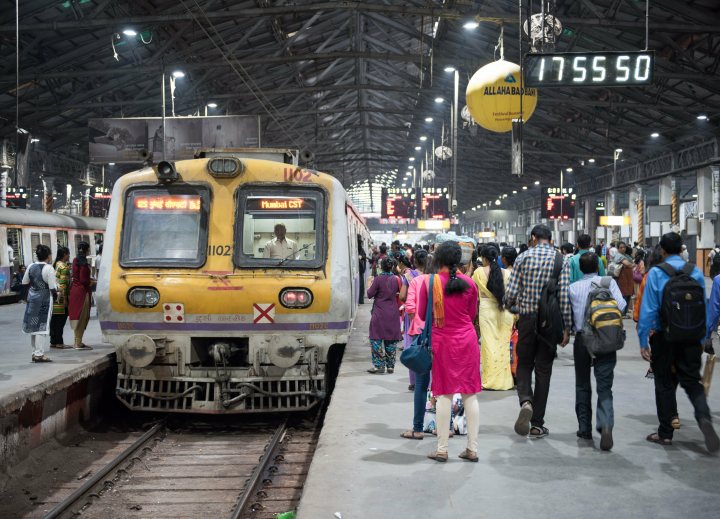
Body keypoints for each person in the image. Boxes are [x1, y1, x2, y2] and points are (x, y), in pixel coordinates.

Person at [638, 232, 719, 452]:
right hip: (692, 336)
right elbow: (702, 305)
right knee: (693, 382)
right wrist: (703, 337)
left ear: (662, 251)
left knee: (664, 382)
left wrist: (643, 340)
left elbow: (649, 310)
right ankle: (704, 418)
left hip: (664, 337)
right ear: (682, 250)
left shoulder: (656, 273)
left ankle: (665, 433)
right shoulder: (696, 272)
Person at [504, 224, 572, 439]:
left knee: (524, 363)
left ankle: (526, 401)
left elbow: (511, 293)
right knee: (544, 370)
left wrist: (511, 306)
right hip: (550, 324)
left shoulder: (523, 258)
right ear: (550, 239)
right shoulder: (561, 260)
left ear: (533, 237)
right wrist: (566, 327)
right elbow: (563, 297)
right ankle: (537, 424)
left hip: (526, 319)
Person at [417, 241, 481, 462]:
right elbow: (472, 314)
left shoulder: (429, 283)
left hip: (442, 342)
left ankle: (442, 449)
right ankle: (472, 449)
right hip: (467, 341)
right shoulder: (470, 284)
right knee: (469, 394)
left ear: (438, 259)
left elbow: (421, 314)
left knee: (443, 394)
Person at [568, 253, 626, 450]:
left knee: (582, 385)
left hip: (583, 341)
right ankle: (606, 425)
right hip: (606, 339)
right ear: (598, 267)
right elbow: (622, 306)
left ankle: (584, 428)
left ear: (580, 269)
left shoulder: (573, 288)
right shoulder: (608, 283)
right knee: (604, 387)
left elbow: (567, 315)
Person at [400, 249, 433, 439]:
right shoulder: (442, 281)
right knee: (441, 384)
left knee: (421, 383)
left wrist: (418, 324)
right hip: (442, 336)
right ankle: (444, 426)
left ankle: (418, 428)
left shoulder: (415, 281)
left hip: (421, 335)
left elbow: (410, 307)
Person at [473, 245, 514, 390]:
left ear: (483, 258)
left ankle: (490, 380)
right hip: (505, 312)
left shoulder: (478, 272)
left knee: (489, 345)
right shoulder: (507, 274)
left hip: (487, 311)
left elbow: (473, 291)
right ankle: (504, 381)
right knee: (503, 346)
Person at [366, 257, 402, 374]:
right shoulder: (397, 279)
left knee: (376, 339)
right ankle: (390, 366)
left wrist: (369, 284)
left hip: (379, 312)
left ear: (381, 267)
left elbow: (370, 294)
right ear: (392, 267)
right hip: (392, 312)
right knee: (391, 340)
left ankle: (379, 366)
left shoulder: (378, 279)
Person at [22, 245, 57, 362]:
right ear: (48, 256)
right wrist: (56, 297)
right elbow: (52, 288)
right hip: (45, 300)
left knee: (33, 326)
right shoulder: (49, 268)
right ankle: (39, 354)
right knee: (42, 327)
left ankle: (34, 353)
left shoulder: (31, 266)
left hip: (32, 298)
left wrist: (27, 296)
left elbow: (25, 283)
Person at [68, 241, 94, 351]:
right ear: (87, 250)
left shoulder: (74, 260)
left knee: (77, 315)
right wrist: (92, 282)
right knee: (82, 316)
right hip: (82, 292)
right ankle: (77, 343)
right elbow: (84, 280)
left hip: (75, 291)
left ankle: (77, 341)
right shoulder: (83, 263)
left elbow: (76, 277)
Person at [50, 247, 71, 349]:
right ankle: (59, 342)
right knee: (60, 320)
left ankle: (53, 341)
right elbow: (63, 284)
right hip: (61, 298)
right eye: (68, 254)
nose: (68, 256)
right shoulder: (64, 267)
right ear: (64, 254)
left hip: (54, 296)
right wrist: (66, 299)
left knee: (54, 319)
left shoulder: (55, 264)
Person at [612, 242, 635, 316]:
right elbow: (628, 264)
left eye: (624, 247)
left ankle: (624, 312)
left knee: (628, 294)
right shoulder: (618, 256)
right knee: (623, 294)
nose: (623, 249)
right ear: (618, 248)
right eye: (621, 247)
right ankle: (622, 312)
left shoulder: (626, 255)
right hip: (622, 278)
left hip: (628, 277)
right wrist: (633, 264)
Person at [358, 237, 367, 304]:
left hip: (360, 270)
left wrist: (360, 257)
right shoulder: (359, 248)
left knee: (361, 285)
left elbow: (364, 256)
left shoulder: (361, 249)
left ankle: (361, 300)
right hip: (359, 270)